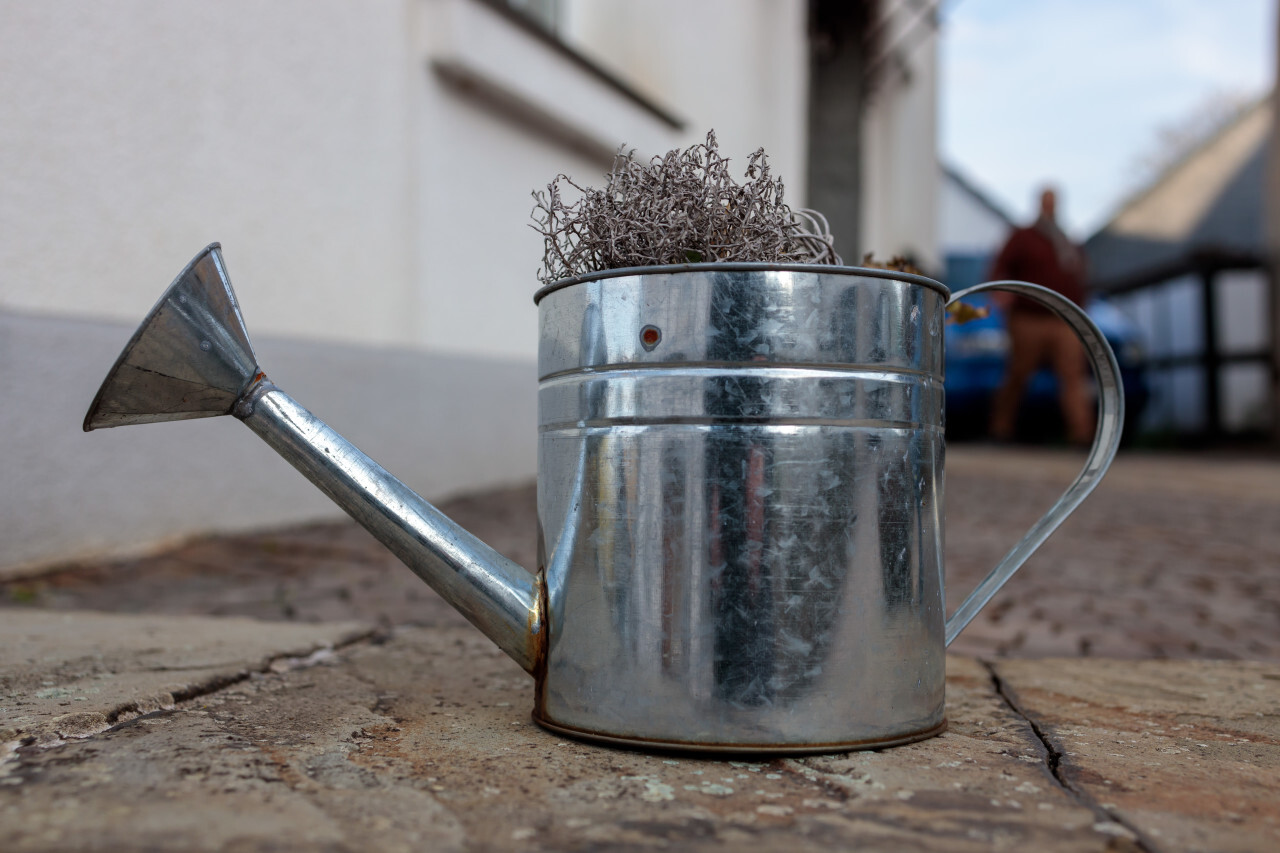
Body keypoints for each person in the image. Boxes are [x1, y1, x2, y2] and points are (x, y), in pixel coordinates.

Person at [987, 187, 1093, 444]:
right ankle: (1000, 430)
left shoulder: (1067, 239)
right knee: (1018, 373)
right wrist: (1001, 294)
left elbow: (1080, 275)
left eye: (1054, 202)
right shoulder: (1023, 237)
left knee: (1073, 375)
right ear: (1039, 204)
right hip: (1029, 318)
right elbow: (999, 266)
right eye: (1047, 202)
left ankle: (1083, 436)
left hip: (1065, 319)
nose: (1051, 207)